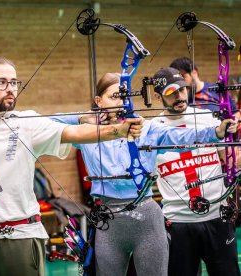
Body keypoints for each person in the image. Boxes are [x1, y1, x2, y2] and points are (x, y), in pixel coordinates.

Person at [0, 57, 144, 276]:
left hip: (19, 236)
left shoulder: (27, 121)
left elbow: (75, 133)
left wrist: (118, 130)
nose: (10, 89)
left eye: (13, 83)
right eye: (1, 82)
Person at [52, 70, 237, 276]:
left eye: (125, 96)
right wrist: (82, 118)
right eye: (114, 96)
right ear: (99, 101)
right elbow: (46, 125)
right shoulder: (85, 131)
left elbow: (179, 137)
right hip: (109, 219)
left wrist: (215, 132)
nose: (121, 102)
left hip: (147, 218)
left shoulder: (145, 128)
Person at [151, 67, 240, 275]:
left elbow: (233, 161)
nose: (180, 97)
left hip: (218, 218)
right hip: (178, 224)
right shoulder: (151, 129)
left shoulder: (208, 117)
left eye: (182, 90)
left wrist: (235, 143)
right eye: (171, 93)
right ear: (157, 96)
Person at [170, 56, 240, 119]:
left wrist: (234, 123)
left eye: (183, 76)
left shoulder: (216, 89)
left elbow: (235, 113)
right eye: (177, 79)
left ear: (194, 72)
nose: (180, 82)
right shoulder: (180, 98)